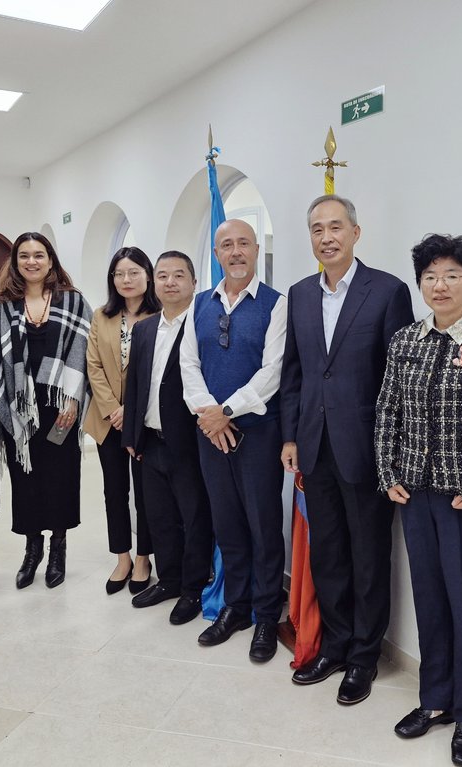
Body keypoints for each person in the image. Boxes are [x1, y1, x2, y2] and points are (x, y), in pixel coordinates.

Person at [375, 234, 462, 767]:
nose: (440, 285)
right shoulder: (405, 340)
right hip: (415, 494)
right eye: (431, 276)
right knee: (429, 599)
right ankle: (434, 700)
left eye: (453, 275)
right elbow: (388, 410)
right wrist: (388, 471)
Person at [280, 194, 414, 705]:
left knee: (368, 556)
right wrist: (290, 437)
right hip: (314, 447)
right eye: (317, 229)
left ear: (356, 233)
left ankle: (364, 656)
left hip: (367, 450)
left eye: (335, 227)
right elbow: (295, 373)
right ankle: (335, 645)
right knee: (328, 553)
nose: (326, 237)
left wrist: (394, 453)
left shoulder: (388, 291)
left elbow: (399, 381)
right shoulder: (299, 294)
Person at [179, 219, 286, 662]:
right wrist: (210, 416)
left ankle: (267, 615)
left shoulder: (277, 305)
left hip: (258, 435)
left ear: (256, 249)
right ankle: (236, 606)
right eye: (227, 245)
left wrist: (225, 412)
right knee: (227, 524)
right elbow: (188, 366)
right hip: (211, 434)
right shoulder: (199, 304)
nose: (236, 251)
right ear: (216, 254)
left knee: (263, 526)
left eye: (244, 243)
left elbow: (272, 371)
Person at [0, 232, 92, 590]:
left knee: (61, 477)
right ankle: (32, 548)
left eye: (39, 255)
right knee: (26, 479)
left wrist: (73, 398)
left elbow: (86, 353)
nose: (32, 261)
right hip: (17, 405)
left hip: (61, 406)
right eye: (24, 255)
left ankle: (58, 547)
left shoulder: (73, 301)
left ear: (50, 260)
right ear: (15, 262)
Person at [122, 251, 213, 623]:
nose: (170, 282)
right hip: (150, 440)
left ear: (194, 282)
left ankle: (193, 589)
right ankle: (169, 580)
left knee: (194, 518)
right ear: (154, 282)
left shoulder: (203, 326)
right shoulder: (145, 329)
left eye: (179, 275)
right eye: (162, 276)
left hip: (190, 443)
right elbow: (135, 385)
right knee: (159, 517)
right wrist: (132, 435)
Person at [84, 246, 160, 595]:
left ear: (148, 275)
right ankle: (123, 557)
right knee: (114, 490)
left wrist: (130, 410)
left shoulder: (160, 315)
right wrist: (113, 408)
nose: (126, 279)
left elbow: (158, 371)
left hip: (145, 420)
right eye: (119, 274)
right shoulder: (101, 316)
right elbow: (94, 365)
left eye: (133, 272)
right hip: (107, 420)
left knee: (146, 492)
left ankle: (144, 557)